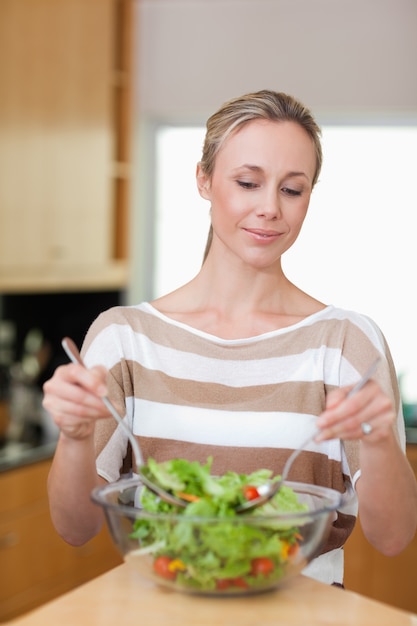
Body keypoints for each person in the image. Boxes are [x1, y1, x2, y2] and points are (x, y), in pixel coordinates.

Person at [43, 89, 417, 587]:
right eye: (248, 182)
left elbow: (394, 537)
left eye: (292, 189)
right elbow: (75, 528)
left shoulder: (347, 341)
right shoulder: (125, 337)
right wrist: (72, 437)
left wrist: (377, 444)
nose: (269, 209)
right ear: (204, 179)